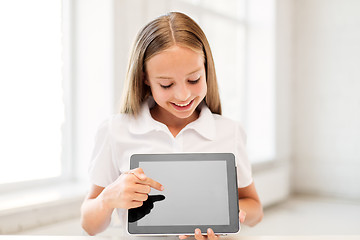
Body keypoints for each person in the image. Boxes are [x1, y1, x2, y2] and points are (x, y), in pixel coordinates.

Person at [81, 11, 263, 239]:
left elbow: (256, 210)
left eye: (194, 79)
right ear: (145, 78)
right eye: (166, 84)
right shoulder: (115, 131)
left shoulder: (229, 131)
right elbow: (89, 225)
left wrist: (229, 215)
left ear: (206, 69)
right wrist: (108, 199)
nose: (183, 95)